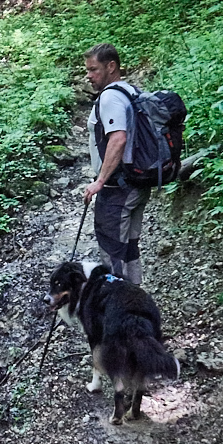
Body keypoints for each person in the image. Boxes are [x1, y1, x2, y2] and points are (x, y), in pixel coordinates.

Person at [81, 43, 148, 284]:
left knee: (112, 250)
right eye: (87, 70)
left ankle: (118, 307)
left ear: (111, 66)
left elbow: (118, 139)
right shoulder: (129, 91)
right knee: (128, 246)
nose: (88, 76)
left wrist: (100, 181)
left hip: (118, 188)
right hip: (135, 182)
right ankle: (134, 298)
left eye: (93, 69)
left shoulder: (110, 97)